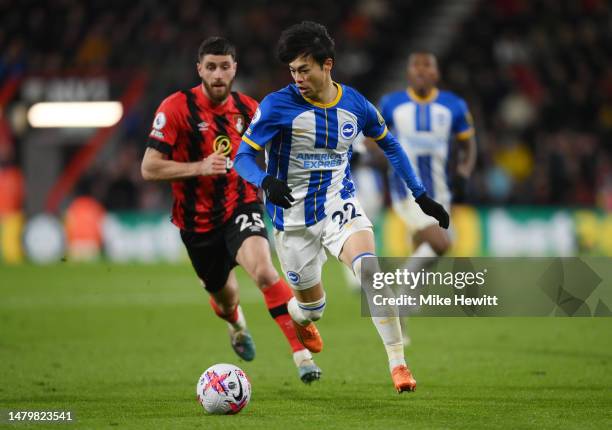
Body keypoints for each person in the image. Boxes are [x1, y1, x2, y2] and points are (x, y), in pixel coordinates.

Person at [234, 22, 449, 393]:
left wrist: (421, 195)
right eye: (292, 71)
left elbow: (392, 146)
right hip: (293, 219)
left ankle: (398, 364)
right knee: (312, 307)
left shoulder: (355, 104)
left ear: (326, 65)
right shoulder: (276, 106)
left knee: (371, 273)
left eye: (304, 69)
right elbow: (242, 157)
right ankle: (300, 317)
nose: (297, 78)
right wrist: (265, 181)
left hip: (340, 203)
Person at [141, 36, 321, 383]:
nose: (218, 74)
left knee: (265, 271)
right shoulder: (176, 108)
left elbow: (281, 147)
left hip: (241, 202)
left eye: (225, 66)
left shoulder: (250, 108)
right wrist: (199, 167)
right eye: (211, 67)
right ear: (199, 70)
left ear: (234, 68)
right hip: (195, 221)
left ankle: (301, 353)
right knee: (226, 299)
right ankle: (237, 325)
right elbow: (149, 168)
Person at [379, 52, 477, 341]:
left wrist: (464, 172)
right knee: (442, 242)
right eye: (415, 66)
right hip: (406, 189)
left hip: (441, 190)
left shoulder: (453, 106)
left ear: (436, 73)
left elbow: (469, 144)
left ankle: (402, 315)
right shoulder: (392, 103)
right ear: (408, 73)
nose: (421, 70)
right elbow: (374, 136)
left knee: (428, 250)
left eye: (427, 66)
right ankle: (396, 300)